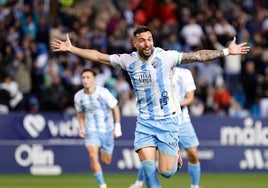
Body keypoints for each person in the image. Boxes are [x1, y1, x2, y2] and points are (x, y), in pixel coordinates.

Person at [52, 26, 250, 188]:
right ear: (134, 43)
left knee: (166, 172)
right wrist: (72, 49)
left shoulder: (167, 57)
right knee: (147, 166)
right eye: (142, 40)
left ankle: (175, 156)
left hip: (169, 120)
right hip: (145, 121)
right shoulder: (128, 60)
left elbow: (198, 56)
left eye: (149, 39)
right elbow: (98, 56)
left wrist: (226, 51)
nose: (147, 43)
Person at [129, 67, 201, 188]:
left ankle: (195, 186)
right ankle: (139, 182)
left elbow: (190, 98)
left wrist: (173, 105)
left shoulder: (184, 73)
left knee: (193, 154)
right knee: (150, 155)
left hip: (182, 121)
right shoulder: (155, 72)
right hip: (160, 120)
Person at [73, 68, 122, 188]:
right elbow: (80, 113)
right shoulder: (78, 96)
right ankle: (102, 185)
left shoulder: (103, 92)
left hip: (107, 130)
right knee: (92, 155)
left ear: (94, 79)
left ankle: (103, 152)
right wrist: (82, 128)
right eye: (83, 77)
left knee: (106, 161)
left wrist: (117, 126)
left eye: (88, 77)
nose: (85, 80)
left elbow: (115, 108)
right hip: (91, 131)